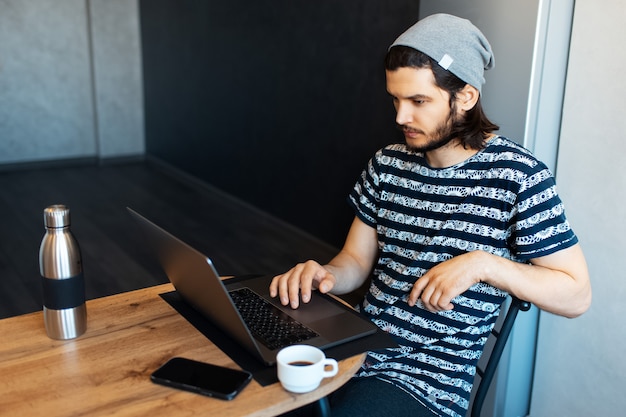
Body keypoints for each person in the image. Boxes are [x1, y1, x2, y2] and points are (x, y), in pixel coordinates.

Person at [270, 13, 591, 417]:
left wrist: (483, 265)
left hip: (424, 382)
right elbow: (354, 260)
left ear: (466, 97)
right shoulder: (387, 164)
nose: (401, 117)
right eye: (395, 99)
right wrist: (327, 275)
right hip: (352, 350)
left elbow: (577, 294)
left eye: (419, 101)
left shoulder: (519, 176)